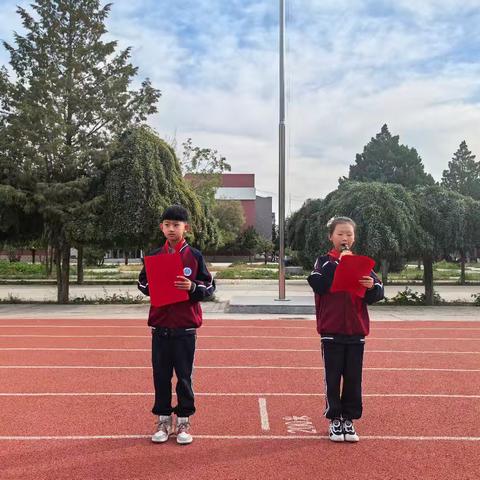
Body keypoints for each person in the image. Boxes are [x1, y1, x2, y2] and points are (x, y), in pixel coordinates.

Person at [137, 205, 215, 445]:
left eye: (176, 225)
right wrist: (154, 287)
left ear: (186, 228)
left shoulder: (195, 256)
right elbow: (142, 283)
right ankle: (163, 420)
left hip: (185, 329)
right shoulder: (154, 256)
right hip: (160, 328)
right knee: (160, 376)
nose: (171, 229)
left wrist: (192, 288)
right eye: (167, 225)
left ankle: (183, 421)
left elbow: (210, 288)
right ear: (162, 227)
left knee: (183, 378)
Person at [307, 216, 384, 442]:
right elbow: (317, 283)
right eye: (340, 234)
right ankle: (334, 419)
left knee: (353, 378)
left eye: (349, 234)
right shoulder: (323, 262)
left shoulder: (362, 265)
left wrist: (372, 287)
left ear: (355, 237)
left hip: (356, 330)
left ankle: (348, 420)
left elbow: (378, 293)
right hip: (331, 330)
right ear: (331, 237)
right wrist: (340, 262)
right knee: (332, 377)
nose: (345, 238)